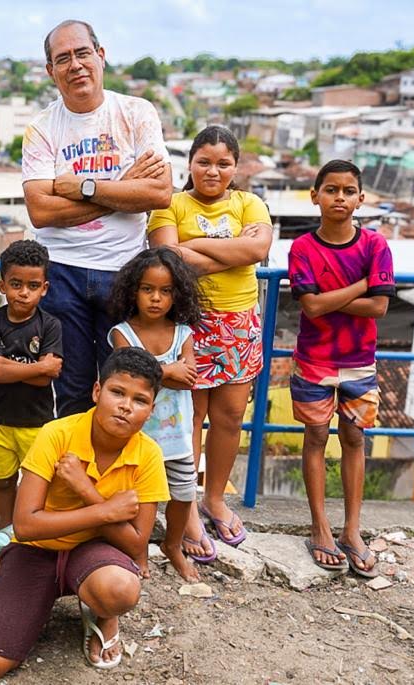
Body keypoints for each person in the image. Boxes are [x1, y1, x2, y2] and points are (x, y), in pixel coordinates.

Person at [0, 348, 169, 677]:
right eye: (117, 392)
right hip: (37, 548)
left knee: (120, 590)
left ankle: (101, 612)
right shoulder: (57, 434)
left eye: (140, 400)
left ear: (151, 410)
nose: (126, 406)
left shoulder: (148, 455)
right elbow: (26, 525)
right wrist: (107, 511)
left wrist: (85, 490)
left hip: (95, 552)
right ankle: (8, 568)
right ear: (97, 391)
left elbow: (136, 545)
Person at [22, 19, 172, 418]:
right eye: (63, 58)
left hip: (123, 270)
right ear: (50, 71)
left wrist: (83, 187)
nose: (75, 65)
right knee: (70, 388)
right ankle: (74, 477)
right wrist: (123, 191)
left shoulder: (136, 113)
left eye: (83, 53)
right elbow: (41, 212)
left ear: (101, 56)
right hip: (61, 271)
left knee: (122, 385)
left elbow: (158, 192)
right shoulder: (41, 128)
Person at [147, 125, 273, 557]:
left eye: (223, 163)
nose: (213, 170)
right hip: (191, 324)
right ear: (190, 164)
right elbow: (168, 261)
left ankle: (214, 498)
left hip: (240, 324)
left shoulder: (250, 203)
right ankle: (186, 510)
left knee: (231, 416)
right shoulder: (170, 205)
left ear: (235, 167)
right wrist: (230, 247)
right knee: (190, 417)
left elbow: (257, 253)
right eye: (204, 161)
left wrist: (195, 244)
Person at [289, 160, 393, 578]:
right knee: (315, 437)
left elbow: (381, 307)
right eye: (331, 190)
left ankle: (352, 530)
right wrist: (362, 285)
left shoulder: (375, 245)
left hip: (359, 363)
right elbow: (309, 307)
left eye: (349, 191)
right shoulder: (302, 248)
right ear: (315, 196)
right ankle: (321, 528)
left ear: (361, 199)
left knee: (354, 438)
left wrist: (328, 297)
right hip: (313, 361)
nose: (340, 198)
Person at [108, 247, 204, 580]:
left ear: (177, 295)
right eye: (147, 289)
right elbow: (130, 377)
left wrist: (160, 372)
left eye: (165, 291)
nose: (156, 298)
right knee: (140, 499)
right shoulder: (123, 333)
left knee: (183, 495)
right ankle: (139, 550)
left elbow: (188, 378)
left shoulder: (183, 334)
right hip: (136, 435)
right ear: (133, 291)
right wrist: (168, 370)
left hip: (177, 439)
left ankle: (173, 546)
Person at [0, 240, 62, 553]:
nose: (23, 292)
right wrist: (37, 367)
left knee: (36, 480)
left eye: (32, 285)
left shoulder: (50, 325)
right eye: (16, 284)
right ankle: (3, 530)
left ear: (44, 288)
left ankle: (31, 529)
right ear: (2, 285)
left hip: (37, 422)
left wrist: (11, 367)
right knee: (2, 480)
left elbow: (48, 378)